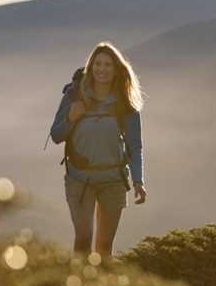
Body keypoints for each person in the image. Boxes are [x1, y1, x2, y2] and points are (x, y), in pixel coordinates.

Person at [49, 42, 147, 258]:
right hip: (79, 179)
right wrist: (70, 118)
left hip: (113, 181)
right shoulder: (74, 96)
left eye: (108, 65)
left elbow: (134, 146)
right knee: (83, 238)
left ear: (117, 69)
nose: (102, 69)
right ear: (90, 67)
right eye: (98, 64)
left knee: (104, 247)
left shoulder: (125, 103)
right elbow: (56, 135)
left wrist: (139, 181)